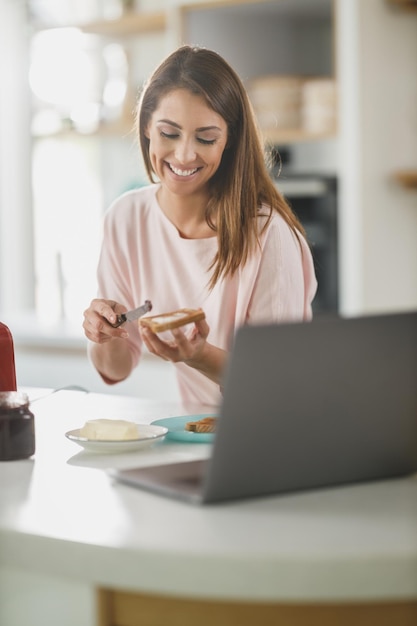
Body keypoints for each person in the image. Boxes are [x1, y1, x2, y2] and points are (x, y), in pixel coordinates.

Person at [82, 45, 317, 407]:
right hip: (194, 434)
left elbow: (276, 382)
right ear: (147, 126)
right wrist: (104, 334)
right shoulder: (126, 219)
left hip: (273, 432)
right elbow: (115, 370)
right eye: (169, 133)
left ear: (230, 140)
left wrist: (198, 354)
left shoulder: (268, 233)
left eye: (206, 138)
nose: (184, 155)